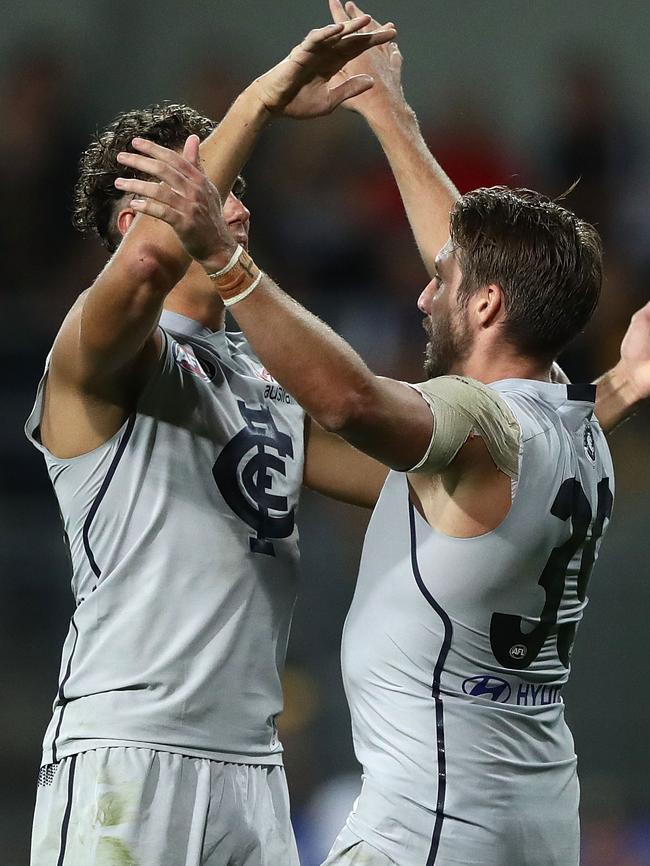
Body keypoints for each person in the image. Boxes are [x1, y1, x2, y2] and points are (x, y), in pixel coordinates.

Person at [118, 11, 650, 866]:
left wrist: (224, 256)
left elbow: (351, 401)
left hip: (433, 831)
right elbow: (476, 263)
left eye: (442, 283)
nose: (421, 295)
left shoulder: (481, 424)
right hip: (539, 819)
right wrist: (387, 111)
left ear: (483, 307)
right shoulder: (579, 414)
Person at [23, 17, 399, 866]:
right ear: (130, 223)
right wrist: (262, 96)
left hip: (254, 763)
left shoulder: (265, 379)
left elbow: (405, 481)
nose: (235, 199)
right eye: (196, 179)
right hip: (129, 748)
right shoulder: (93, 353)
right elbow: (154, 268)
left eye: (225, 178)